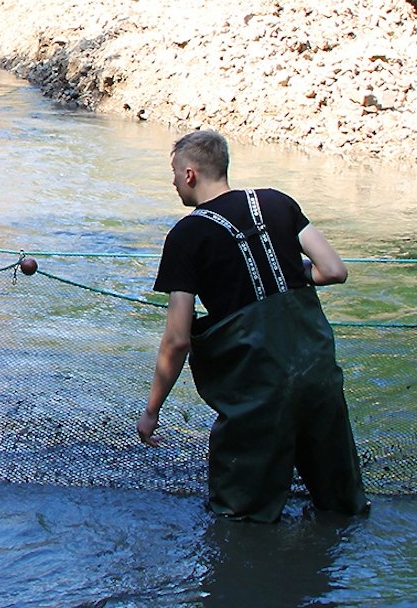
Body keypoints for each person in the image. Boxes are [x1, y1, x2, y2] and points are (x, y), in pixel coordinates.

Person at [136, 129, 370, 521]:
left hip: (256, 392)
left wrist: (152, 410)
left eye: (174, 173)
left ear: (190, 174)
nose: (173, 181)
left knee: (241, 520)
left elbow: (177, 340)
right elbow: (334, 271)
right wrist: (286, 272)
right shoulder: (277, 202)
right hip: (318, 376)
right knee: (343, 508)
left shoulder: (186, 236)